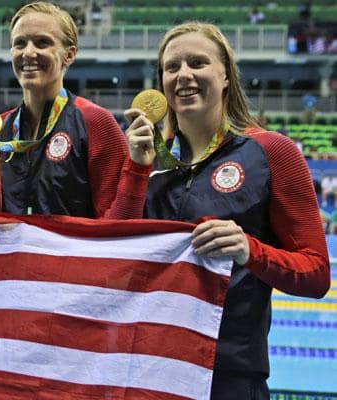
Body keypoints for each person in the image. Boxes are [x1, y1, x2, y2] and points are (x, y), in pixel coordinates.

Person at [124, 22, 329, 399]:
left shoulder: (272, 152)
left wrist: (251, 251)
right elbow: (115, 257)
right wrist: (136, 168)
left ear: (225, 78)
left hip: (230, 378)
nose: (184, 74)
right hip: (149, 370)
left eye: (198, 63)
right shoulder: (148, 160)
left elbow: (316, 273)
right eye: (172, 67)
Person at [0, 1, 150, 218]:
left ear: (69, 55)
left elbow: (119, 222)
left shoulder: (96, 122)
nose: (28, 52)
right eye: (20, 43)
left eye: (42, 43)